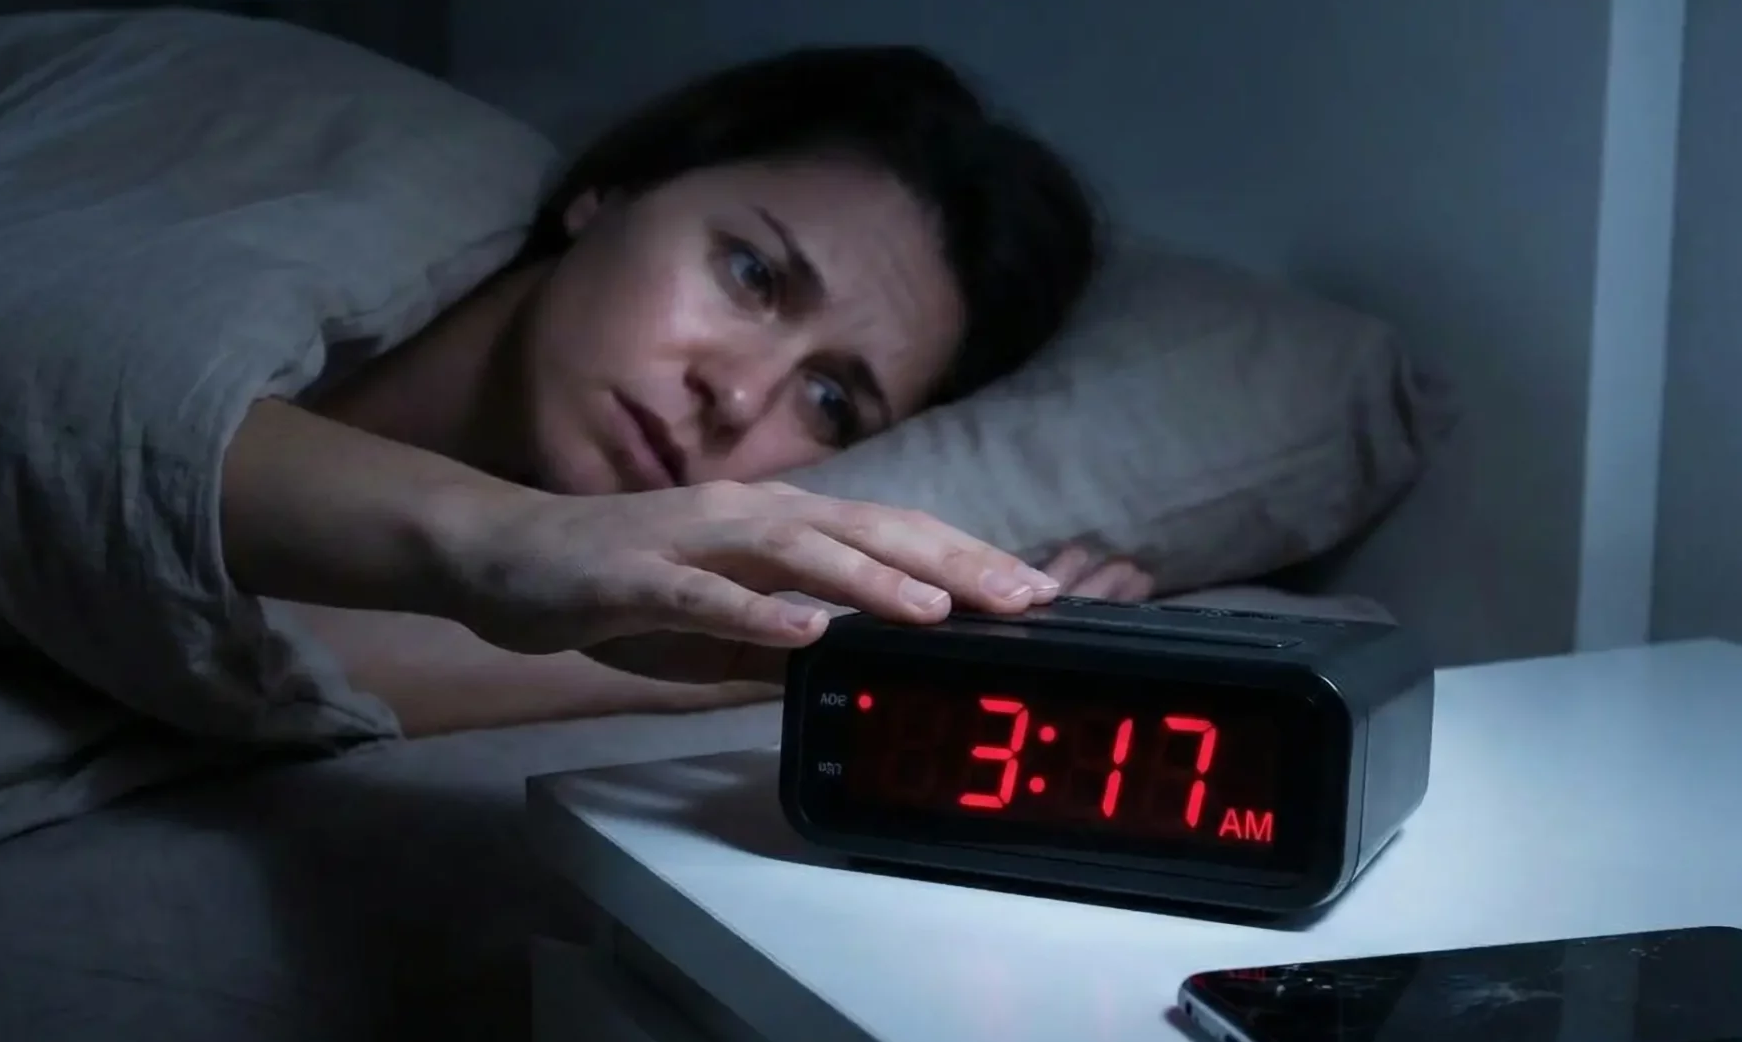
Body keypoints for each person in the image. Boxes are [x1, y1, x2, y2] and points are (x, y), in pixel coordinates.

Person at [221, 45, 1153, 736]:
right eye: (752, 274)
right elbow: (155, 469)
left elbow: (267, 637)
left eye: (830, 401)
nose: (738, 399)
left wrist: (795, 639)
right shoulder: (314, 215)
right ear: (612, 190)